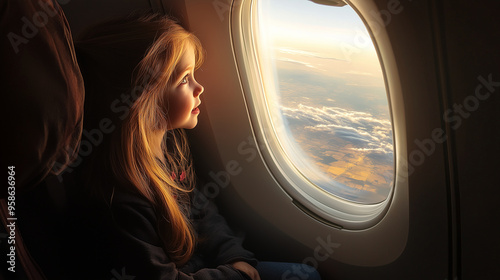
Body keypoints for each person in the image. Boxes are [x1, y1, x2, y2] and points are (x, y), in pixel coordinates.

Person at [63, 12, 321, 280]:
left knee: (306, 274)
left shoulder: (170, 146)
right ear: (142, 101)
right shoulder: (119, 200)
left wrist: (233, 256)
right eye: (185, 79)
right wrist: (233, 276)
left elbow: (201, 209)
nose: (199, 87)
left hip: (209, 267)